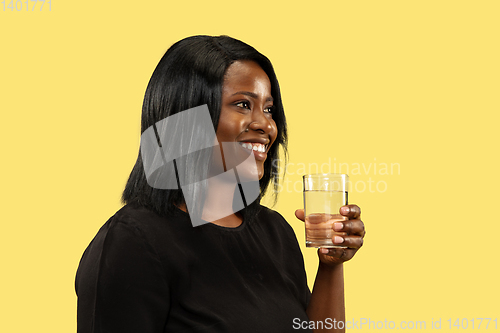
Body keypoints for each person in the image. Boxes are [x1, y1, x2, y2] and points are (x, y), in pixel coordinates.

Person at [75, 35, 365, 333]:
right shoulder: (132, 242)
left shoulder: (275, 233)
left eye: (268, 108)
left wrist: (331, 266)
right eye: (243, 104)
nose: (266, 125)